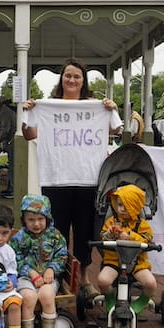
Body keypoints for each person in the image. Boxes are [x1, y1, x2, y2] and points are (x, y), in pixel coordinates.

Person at [21, 58, 122, 297]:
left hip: (88, 179)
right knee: (57, 232)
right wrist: (27, 111)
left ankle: (84, 278)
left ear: (83, 81)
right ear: (61, 79)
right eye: (68, 75)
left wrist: (112, 108)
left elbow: (116, 129)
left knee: (85, 232)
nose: (72, 80)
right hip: (56, 179)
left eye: (77, 76)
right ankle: (59, 277)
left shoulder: (94, 106)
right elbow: (29, 134)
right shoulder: (48, 107)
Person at [10, 194, 68, 328]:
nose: (36, 224)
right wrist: (31, 272)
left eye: (40, 219)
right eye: (31, 219)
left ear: (47, 218)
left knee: (47, 295)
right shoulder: (19, 238)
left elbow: (61, 256)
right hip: (26, 278)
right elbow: (15, 258)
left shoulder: (55, 236)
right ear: (24, 220)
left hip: (48, 279)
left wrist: (52, 269)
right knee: (28, 298)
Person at [98, 184, 156, 314]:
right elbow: (102, 237)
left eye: (126, 205)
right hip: (114, 262)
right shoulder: (111, 221)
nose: (121, 209)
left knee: (151, 283)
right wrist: (109, 235)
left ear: (135, 206)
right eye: (119, 205)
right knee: (103, 281)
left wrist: (129, 236)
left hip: (137, 263)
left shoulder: (142, 224)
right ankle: (109, 297)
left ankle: (142, 301)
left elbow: (148, 239)